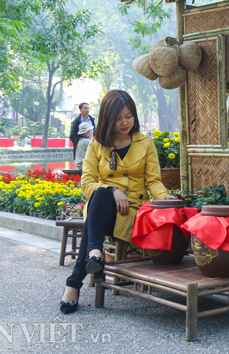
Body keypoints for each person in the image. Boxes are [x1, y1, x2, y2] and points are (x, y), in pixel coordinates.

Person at [60, 90, 174, 314]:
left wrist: (167, 198)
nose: (125, 122)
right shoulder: (96, 144)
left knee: (95, 216)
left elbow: (154, 182)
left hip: (133, 212)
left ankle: (81, 273)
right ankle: (92, 256)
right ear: (107, 119)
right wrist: (113, 191)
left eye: (128, 116)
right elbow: (87, 185)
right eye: (119, 118)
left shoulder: (145, 143)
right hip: (102, 208)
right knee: (101, 192)